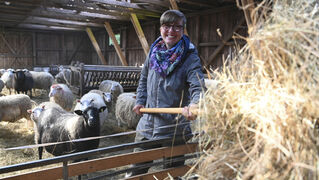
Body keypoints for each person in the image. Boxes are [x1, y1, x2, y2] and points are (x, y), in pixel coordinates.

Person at [125, 9, 206, 177]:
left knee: (172, 174)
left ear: (183, 30)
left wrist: (195, 104)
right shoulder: (153, 52)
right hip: (146, 126)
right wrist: (140, 100)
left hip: (173, 129)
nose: (171, 31)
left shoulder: (190, 58)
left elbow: (197, 86)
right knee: (135, 171)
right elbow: (144, 79)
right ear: (161, 28)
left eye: (177, 27)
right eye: (167, 26)